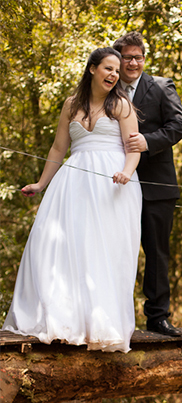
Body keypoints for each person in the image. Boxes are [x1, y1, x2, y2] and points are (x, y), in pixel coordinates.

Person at [2, 47, 142, 353]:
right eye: (108, 68)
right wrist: (40, 184)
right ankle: (64, 320)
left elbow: (134, 149)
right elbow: (58, 148)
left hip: (112, 185)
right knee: (61, 247)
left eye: (117, 71)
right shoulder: (71, 105)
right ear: (92, 69)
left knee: (101, 249)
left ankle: (101, 325)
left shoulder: (121, 105)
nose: (114, 74)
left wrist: (126, 173)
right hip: (73, 182)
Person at [113, 31, 182, 338]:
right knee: (114, 248)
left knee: (157, 251)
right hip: (116, 183)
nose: (133, 62)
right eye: (127, 57)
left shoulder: (160, 86)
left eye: (138, 57)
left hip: (157, 184)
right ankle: (115, 316)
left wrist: (148, 141)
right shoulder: (108, 88)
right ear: (117, 59)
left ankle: (158, 317)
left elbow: (178, 125)